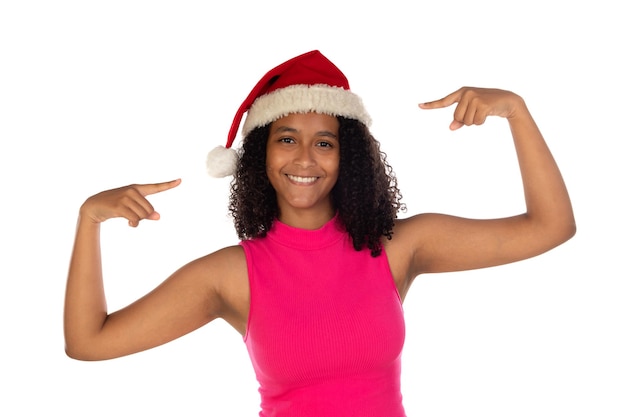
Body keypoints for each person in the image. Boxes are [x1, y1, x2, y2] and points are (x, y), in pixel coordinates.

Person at [64, 50, 576, 416]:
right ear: (261, 154)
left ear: (346, 155)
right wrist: (89, 221)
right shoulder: (232, 275)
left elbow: (550, 227)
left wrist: (515, 110)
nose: (305, 158)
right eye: (287, 139)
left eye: (324, 142)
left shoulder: (396, 247)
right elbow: (89, 342)